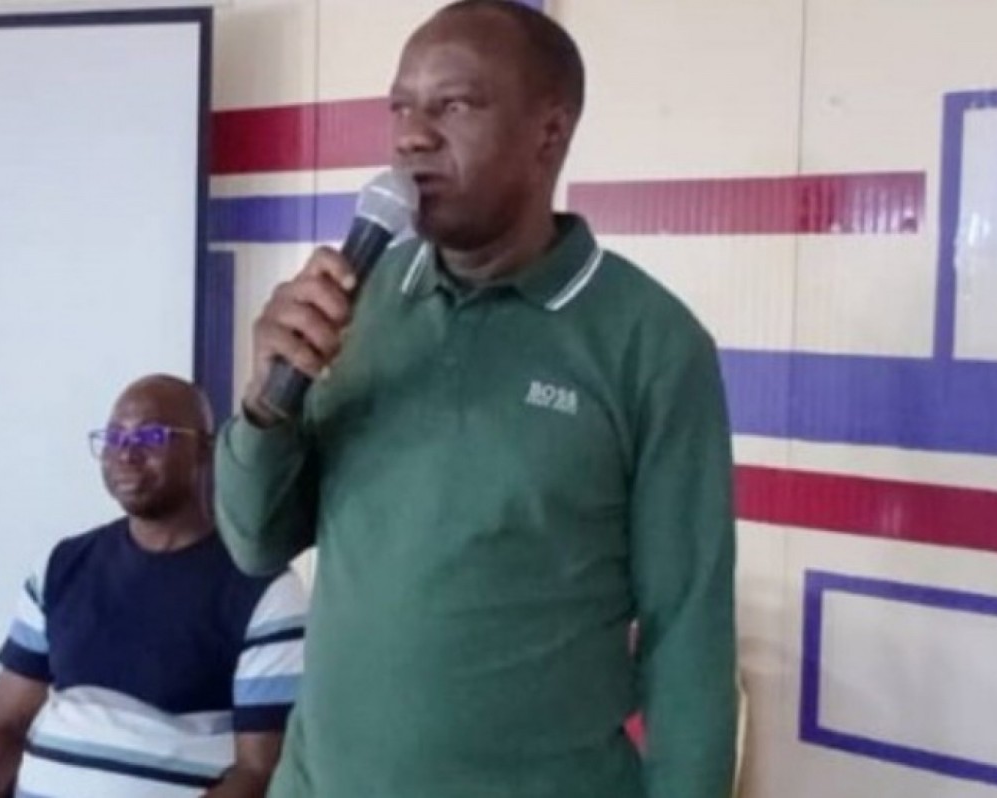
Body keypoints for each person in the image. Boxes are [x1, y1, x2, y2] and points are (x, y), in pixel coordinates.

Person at [214, 2, 736, 796]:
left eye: (453, 106)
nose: (412, 137)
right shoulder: (357, 301)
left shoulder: (650, 343)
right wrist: (265, 405)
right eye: (401, 108)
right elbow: (255, 542)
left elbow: (688, 631)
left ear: (548, 133)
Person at [0, 375, 308, 798]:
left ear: (205, 449)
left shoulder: (264, 590)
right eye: (114, 437)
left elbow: (259, 772)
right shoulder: (60, 567)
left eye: (152, 436)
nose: (126, 453)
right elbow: (4, 726)